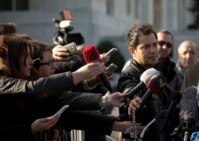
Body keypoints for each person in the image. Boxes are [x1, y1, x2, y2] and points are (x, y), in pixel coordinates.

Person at [0, 34, 143, 140]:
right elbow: (33, 87)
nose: (31, 61)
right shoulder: (5, 82)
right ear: (14, 59)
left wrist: (107, 103)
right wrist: (30, 129)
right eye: (26, 56)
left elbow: (67, 109)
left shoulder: (33, 86)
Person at [117, 24, 180, 141]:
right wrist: (132, 100)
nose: (153, 50)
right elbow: (128, 88)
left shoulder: (155, 72)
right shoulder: (129, 73)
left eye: (154, 45)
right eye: (145, 47)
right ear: (132, 51)